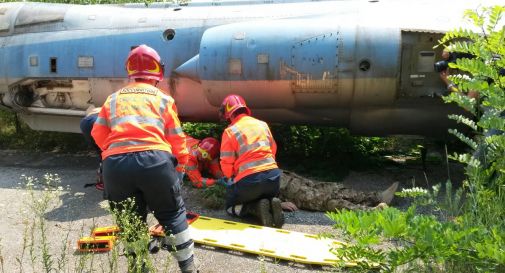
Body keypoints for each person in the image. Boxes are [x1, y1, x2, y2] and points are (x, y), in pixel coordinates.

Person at [91, 44, 195, 273]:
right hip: (155, 163)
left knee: (131, 220)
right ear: (158, 72)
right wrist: (180, 170)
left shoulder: (113, 99)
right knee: (172, 214)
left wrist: (113, 152)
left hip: (116, 166)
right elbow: (177, 140)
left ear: (130, 71)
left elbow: (97, 133)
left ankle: (140, 268)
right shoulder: (163, 99)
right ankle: (188, 268)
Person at [218, 94, 284, 228]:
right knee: (259, 190)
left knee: (231, 206)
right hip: (274, 179)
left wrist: (231, 177)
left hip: (250, 183)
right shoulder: (262, 124)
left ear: (228, 114)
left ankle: (253, 209)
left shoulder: (230, 131)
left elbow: (226, 164)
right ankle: (270, 202)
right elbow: (273, 149)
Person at [278, 171, 399, 212]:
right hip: (281, 189)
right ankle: (370, 212)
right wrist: (279, 204)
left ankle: (377, 197)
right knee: (326, 200)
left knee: (334, 187)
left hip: (285, 177)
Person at [80, 106, 104, 191]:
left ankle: (102, 180)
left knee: (101, 151)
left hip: (86, 122)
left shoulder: (94, 107)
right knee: (107, 152)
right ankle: (106, 181)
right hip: (98, 121)